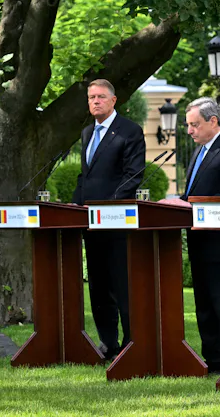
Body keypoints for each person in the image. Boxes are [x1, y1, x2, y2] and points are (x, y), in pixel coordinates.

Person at [160, 97, 220, 374]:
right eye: (187, 125)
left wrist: (187, 205)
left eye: (194, 124)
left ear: (213, 121)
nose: (189, 131)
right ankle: (212, 359)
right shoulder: (200, 151)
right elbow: (192, 195)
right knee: (205, 304)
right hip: (198, 239)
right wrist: (177, 201)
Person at [73, 79, 146, 360]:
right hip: (90, 223)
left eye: (101, 97)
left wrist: (107, 208)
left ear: (114, 100)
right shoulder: (87, 133)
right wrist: (75, 205)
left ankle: (130, 342)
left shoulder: (129, 131)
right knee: (99, 285)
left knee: (121, 283)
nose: (95, 102)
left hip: (116, 222)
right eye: (91, 97)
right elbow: (85, 176)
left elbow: (132, 175)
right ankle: (108, 342)